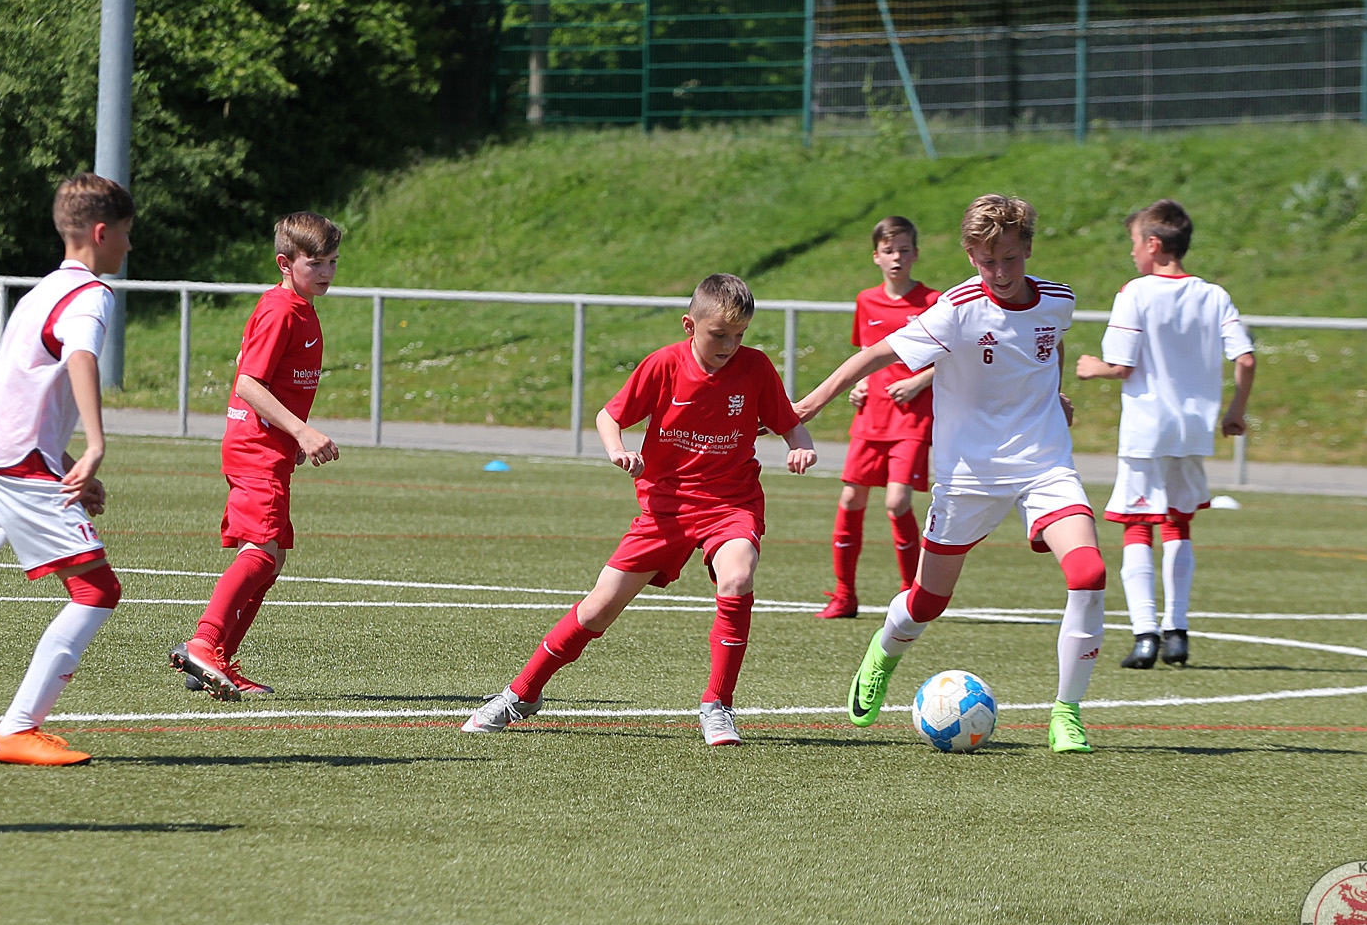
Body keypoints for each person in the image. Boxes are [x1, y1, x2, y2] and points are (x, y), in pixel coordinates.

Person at [795, 194, 1106, 754]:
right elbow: (876, 354)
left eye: (1010, 259)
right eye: (987, 261)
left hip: (1044, 465)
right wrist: (812, 403)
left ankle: (1067, 713)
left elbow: (1050, 346)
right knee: (928, 602)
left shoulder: (1059, 300)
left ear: (1028, 249)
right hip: (969, 477)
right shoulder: (957, 308)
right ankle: (884, 651)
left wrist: (1054, 394)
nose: (1000, 272)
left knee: (1088, 573)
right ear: (969, 256)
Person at [461, 274, 817, 746]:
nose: (731, 345)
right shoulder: (663, 365)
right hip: (666, 508)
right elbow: (609, 416)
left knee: (737, 577)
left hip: (731, 503)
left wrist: (801, 446)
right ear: (689, 325)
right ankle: (521, 694)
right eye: (719, 335)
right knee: (598, 609)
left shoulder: (755, 367)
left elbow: (789, 422)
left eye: (740, 335)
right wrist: (618, 449)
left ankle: (717, 706)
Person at [0, 173, 130, 766]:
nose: (129, 246)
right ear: (101, 232)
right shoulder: (91, 293)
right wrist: (94, 445)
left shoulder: (38, 294)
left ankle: (20, 728)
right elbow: (81, 357)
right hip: (16, 466)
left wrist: (65, 462)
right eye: (126, 233)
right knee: (96, 590)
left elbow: (23, 394)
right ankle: (18, 728)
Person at [169, 212, 342, 699]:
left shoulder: (301, 307)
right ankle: (204, 644)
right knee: (262, 551)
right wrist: (301, 431)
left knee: (274, 556)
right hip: (256, 447)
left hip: (271, 446)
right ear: (285, 264)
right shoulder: (281, 309)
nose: (326, 272)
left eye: (332, 261)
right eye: (315, 263)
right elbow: (248, 383)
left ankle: (214, 658)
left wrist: (292, 437)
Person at [1076, 199, 1255, 669]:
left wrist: (1093, 368)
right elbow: (1246, 358)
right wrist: (1235, 412)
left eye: (1134, 243)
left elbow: (1121, 365)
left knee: (1138, 524)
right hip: (1192, 430)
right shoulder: (1214, 295)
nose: (1132, 252)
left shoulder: (1135, 292)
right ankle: (1178, 632)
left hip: (1147, 428)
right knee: (1178, 523)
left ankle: (1145, 635)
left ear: (1153, 244)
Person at [817, 216, 940, 619]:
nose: (897, 258)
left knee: (897, 500)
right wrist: (859, 385)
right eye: (889, 251)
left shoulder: (934, 301)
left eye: (904, 250)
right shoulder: (866, 300)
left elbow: (952, 358)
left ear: (916, 254)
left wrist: (919, 381)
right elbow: (866, 355)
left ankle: (911, 595)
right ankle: (844, 595)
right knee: (851, 498)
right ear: (876, 256)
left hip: (912, 418)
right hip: (871, 417)